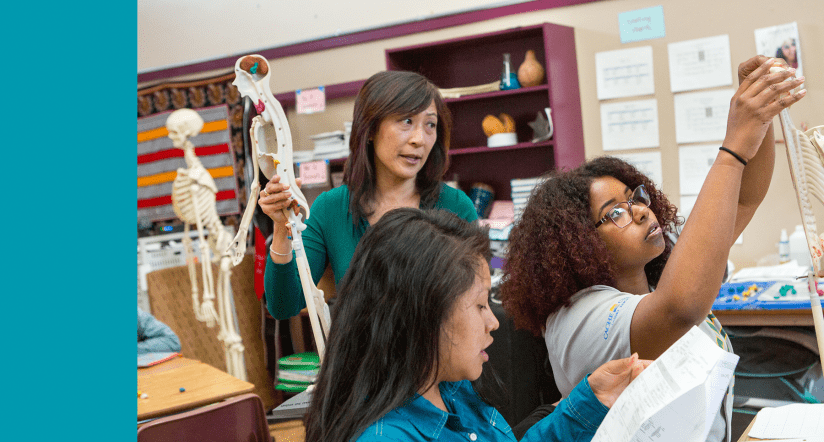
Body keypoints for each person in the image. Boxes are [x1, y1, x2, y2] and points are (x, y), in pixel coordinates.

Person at [499, 55, 806, 442]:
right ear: (576, 243)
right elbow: (680, 308)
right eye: (615, 214)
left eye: (635, 198)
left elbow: (744, 200)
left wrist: (759, 111)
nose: (642, 212)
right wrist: (731, 149)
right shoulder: (577, 318)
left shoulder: (662, 277)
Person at [304, 208, 650, 442]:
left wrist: (591, 399)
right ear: (425, 314)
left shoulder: (452, 391)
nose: (492, 323)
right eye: (480, 304)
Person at [260, 70, 477, 320]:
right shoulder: (331, 208)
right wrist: (281, 228)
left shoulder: (455, 206)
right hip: (360, 359)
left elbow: (476, 298)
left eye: (430, 124)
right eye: (406, 121)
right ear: (371, 129)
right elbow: (284, 306)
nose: (420, 139)